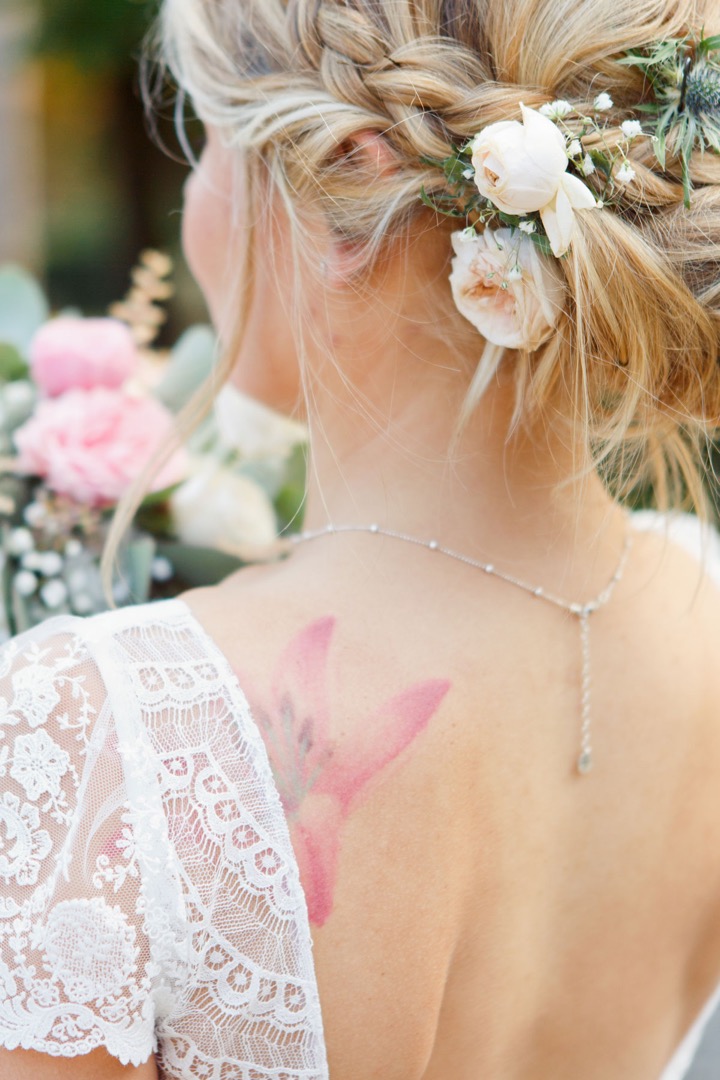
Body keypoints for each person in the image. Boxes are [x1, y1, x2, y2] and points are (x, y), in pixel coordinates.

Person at [2, 1, 720, 1077]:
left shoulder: (98, 729)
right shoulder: (703, 596)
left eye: (206, 146)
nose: (196, 198)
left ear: (341, 178)